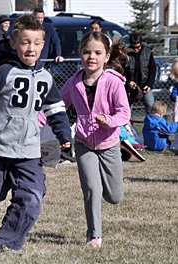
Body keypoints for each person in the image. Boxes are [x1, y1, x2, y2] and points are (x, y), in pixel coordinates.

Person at [0, 14, 72, 252]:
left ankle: (7, 240)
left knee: (33, 196)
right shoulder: (3, 73)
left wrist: (65, 137)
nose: (31, 48)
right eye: (25, 42)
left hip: (29, 149)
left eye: (37, 42)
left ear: (44, 43)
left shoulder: (46, 77)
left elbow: (56, 110)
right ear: (13, 44)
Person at [60, 32, 131, 247]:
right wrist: (37, 120)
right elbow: (58, 106)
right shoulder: (74, 83)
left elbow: (124, 113)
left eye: (97, 53)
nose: (92, 56)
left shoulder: (113, 82)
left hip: (109, 144)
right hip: (83, 144)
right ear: (80, 55)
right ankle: (94, 235)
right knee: (91, 188)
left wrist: (109, 120)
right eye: (87, 52)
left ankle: (111, 193)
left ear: (106, 57)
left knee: (114, 196)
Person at [124, 32, 156, 114]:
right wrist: (128, 82)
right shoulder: (126, 54)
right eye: (133, 47)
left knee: (151, 107)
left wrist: (149, 85)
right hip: (130, 87)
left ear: (141, 44)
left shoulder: (148, 52)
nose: (136, 49)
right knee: (125, 110)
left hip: (144, 85)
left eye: (138, 47)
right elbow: (121, 72)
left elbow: (152, 70)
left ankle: (151, 125)